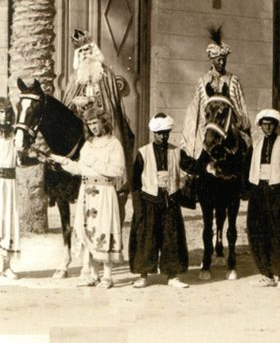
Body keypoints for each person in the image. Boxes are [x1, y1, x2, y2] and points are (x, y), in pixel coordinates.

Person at [50, 108, 125, 288]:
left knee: (104, 229)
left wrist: (94, 162)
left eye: (95, 123)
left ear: (103, 122)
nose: (93, 128)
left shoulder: (114, 144)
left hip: (104, 192)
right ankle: (92, 274)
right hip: (86, 192)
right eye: (89, 124)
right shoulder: (87, 145)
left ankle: (107, 275)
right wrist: (61, 161)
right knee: (87, 231)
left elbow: (118, 171)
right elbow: (80, 169)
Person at [61, 29, 135, 204]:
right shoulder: (75, 77)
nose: (86, 55)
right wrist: (76, 103)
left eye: (88, 50)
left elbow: (111, 103)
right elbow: (67, 103)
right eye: (82, 52)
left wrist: (93, 102)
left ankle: (117, 184)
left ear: (93, 51)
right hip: (79, 119)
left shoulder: (105, 75)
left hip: (101, 119)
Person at [128, 113, 192, 289]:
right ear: (153, 133)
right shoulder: (143, 153)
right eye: (159, 133)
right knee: (146, 238)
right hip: (149, 200)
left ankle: (172, 275)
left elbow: (192, 166)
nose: (163, 136)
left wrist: (206, 156)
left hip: (170, 200)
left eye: (165, 133)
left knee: (172, 238)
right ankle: (143, 275)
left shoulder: (177, 151)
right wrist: (138, 207)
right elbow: (135, 183)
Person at [246, 109, 280, 292]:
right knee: (259, 234)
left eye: (270, 124)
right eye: (264, 124)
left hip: (277, 193)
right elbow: (247, 170)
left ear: (275, 125)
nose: (267, 127)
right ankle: (266, 274)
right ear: (260, 125)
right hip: (259, 194)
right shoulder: (256, 144)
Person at [182, 27, 250, 159]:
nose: (222, 62)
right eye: (218, 59)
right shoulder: (202, 82)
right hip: (207, 131)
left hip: (230, 131)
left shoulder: (233, 80)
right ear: (211, 59)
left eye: (224, 59)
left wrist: (241, 122)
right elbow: (195, 110)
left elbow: (241, 107)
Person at [0, 99, 24, 280]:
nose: (4, 116)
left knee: (8, 220)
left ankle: (6, 265)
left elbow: (20, 158)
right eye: (0, 112)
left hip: (9, 184)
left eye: (7, 112)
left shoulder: (15, 135)